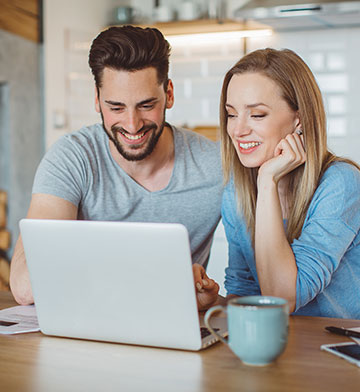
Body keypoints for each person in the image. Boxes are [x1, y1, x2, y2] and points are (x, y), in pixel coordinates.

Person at [10, 26, 222, 309]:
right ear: (97, 99)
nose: (132, 125)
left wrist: (205, 295)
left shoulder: (215, 166)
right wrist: (165, 283)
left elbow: (257, 287)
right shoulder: (73, 158)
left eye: (147, 105)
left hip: (177, 329)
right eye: (116, 107)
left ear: (169, 94)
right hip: (86, 330)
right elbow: (26, 287)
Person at [220, 48, 360, 318]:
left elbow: (282, 299)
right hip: (282, 346)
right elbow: (245, 292)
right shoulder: (237, 192)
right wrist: (211, 300)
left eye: (257, 115)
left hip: (340, 350)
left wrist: (268, 180)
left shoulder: (340, 184)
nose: (238, 130)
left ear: (299, 119)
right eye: (231, 114)